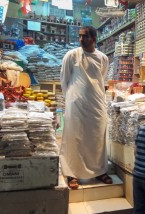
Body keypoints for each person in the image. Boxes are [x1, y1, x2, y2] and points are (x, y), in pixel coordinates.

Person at [60, 26, 112, 189]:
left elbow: (100, 79)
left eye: (86, 36)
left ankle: (99, 171)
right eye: (80, 36)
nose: (82, 39)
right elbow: (65, 80)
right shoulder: (71, 55)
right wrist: (71, 99)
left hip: (96, 103)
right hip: (76, 104)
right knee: (74, 137)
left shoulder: (103, 58)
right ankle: (72, 173)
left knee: (97, 137)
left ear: (94, 39)